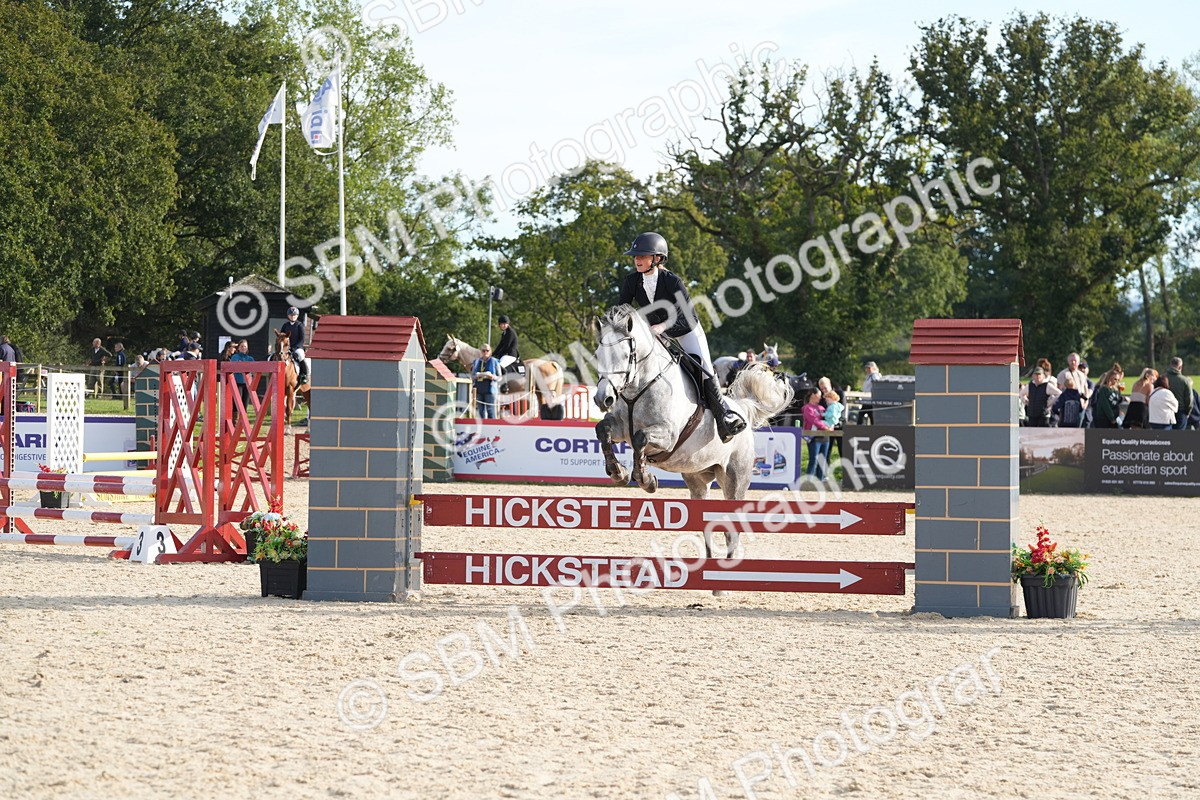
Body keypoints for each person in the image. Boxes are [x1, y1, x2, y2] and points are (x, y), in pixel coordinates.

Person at [618, 231, 745, 442]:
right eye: (635, 256)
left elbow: (685, 317)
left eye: (642, 256)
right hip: (656, 334)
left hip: (685, 329)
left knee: (703, 365)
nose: (637, 260)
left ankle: (724, 416)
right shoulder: (631, 281)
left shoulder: (673, 282)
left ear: (657, 258)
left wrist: (662, 328)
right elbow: (621, 309)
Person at [801, 388, 831, 479]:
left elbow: (828, 419)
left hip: (825, 437)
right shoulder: (807, 408)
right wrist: (825, 427)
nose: (820, 397)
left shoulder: (822, 408)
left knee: (823, 460)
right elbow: (813, 420)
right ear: (813, 395)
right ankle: (809, 481)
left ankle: (820, 481)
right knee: (813, 460)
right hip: (814, 437)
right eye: (819, 395)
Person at [279, 307, 309, 385]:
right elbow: (281, 337)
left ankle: (304, 375)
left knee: (300, 356)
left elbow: (302, 339)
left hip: (297, 347)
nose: (293, 316)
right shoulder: (285, 325)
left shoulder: (300, 325)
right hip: (286, 348)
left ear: (297, 316)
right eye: (291, 315)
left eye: (294, 315)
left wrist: (294, 347)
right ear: (288, 316)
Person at [471, 344, 501, 419]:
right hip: (479, 389)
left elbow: (500, 377)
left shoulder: (494, 361)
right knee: (481, 411)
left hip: (490, 390)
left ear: (490, 351)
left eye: (487, 350)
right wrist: (477, 376)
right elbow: (472, 376)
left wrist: (492, 377)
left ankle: (493, 427)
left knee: (490, 410)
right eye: (483, 350)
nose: (485, 352)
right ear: (481, 351)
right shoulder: (476, 362)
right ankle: (482, 429)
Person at [1165, 357, 1194, 430]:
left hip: (1166, 411)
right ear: (1180, 367)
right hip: (1181, 411)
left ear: (1170, 364)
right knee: (1179, 437)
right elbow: (1189, 399)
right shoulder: (1185, 380)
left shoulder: (1163, 378)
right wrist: (1187, 412)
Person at [228, 339, 255, 413]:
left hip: (247, 383)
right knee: (236, 403)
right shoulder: (235, 357)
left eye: (245, 346)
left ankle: (243, 422)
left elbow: (254, 368)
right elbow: (234, 367)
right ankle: (235, 421)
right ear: (239, 348)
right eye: (242, 346)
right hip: (238, 382)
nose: (244, 348)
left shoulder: (250, 358)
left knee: (245, 404)